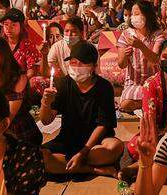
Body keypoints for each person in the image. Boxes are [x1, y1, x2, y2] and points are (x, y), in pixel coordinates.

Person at [40, 41, 123, 176]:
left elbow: (103, 125)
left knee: (115, 147)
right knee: (40, 156)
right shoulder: (64, 83)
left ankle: (71, 163)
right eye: (73, 62)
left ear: (93, 67)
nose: (76, 67)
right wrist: (45, 103)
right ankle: (92, 169)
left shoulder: (104, 87)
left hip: (96, 142)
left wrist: (83, 152)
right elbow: (46, 121)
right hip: (68, 138)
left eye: (82, 63)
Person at [120, 38, 167, 181]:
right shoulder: (152, 84)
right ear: (159, 59)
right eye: (165, 57)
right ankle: (157, 163)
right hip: (161, 134)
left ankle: (138, 167)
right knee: (144, 145)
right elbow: (149, 120)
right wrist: (154, 143)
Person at [117, 0, 164, 112]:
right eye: (132, 14)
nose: (133, 17)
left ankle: (150, 103)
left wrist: (141, 46)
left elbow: (155, 61)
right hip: (134, 82)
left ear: (147, 15)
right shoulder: (126, 34)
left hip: (153, 80)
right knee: (125, 105)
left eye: (137, 14)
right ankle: (149, 104)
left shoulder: (158, 35)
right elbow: (121, 65)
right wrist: (125, 55)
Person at [1, 9, 40, 81]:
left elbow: (31, 70)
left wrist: (20, 82)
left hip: (20, 80)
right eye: (6, 24)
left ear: (21, 26)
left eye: (13, 24)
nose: (9, 28)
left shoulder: (27, 45)